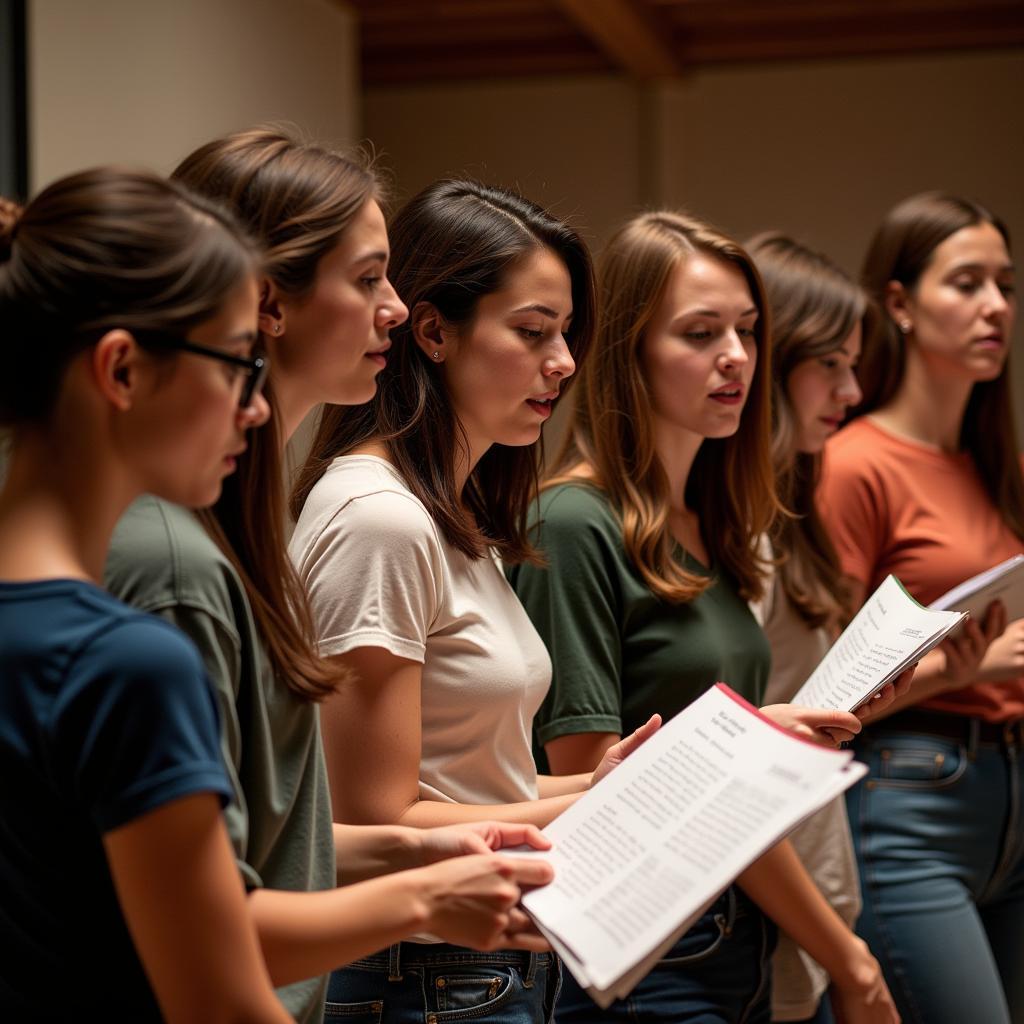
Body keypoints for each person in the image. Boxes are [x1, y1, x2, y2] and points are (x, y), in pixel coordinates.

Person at [103, 132, 555, 1024]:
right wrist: (420, 888)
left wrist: (421, 851)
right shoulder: (180, 557)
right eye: (368, 279)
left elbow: (271, 847)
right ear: (265, 304)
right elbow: (196, 918)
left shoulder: (239, 524)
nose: (394, 309)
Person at [509, 210, 899, 1023]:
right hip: (647, 947)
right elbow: (593, 782)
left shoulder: (708, 527)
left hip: (733, 934)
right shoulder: (576, 521)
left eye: (748, 331)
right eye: (699, 333)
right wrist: (847, 958)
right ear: (630, 351)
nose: (735, 357)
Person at [289, 178, 659, 1022]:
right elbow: (373, 815)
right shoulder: (381, 518)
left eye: (566, 335)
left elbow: (461, 781)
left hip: (476, 962)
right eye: (532, 333)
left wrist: (604, 788)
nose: (563, 363)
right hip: (416, 969)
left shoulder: (448, 519)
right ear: (433, 331)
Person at [0, 167, 292, 1022]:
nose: (259, 408)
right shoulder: (122, 664)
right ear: (122, 370)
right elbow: (224, 1007)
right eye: (242, 363)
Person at [819, 191, 1023, 1023]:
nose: (997, 308)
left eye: (1006, 285)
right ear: (898, 304)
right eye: (967, 283)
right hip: (910, 799)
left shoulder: (991, 461)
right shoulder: (853, 463)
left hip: (1010, 791)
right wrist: (966, 667)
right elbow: (822, 696)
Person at [747, 232, 870, 1023]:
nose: (851, 390)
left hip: (814, 884)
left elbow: (804, 707)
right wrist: (847, 957)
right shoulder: (733, 531)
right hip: (768, 916)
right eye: (830, 363)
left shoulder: (790, 508)